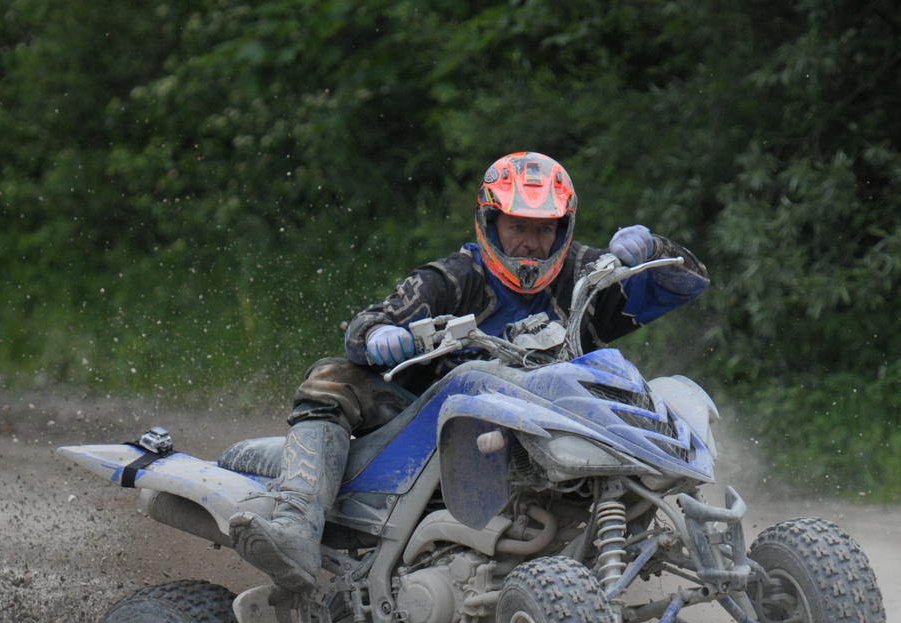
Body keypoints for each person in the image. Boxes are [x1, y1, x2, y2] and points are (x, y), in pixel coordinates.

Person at [229, 150, 711, 591]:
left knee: (652, 389)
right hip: (442, 432)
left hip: (563, 428)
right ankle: (295, 524)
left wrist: (652, 248)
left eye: (545, 229)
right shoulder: (453, 279)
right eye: (518, 226)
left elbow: (685, 284)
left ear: (562, 229)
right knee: (334, 375)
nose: (531, 244)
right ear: (491, 221)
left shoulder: (585, 273)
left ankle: (705, 547)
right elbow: (366, 326)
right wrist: (380, 338)